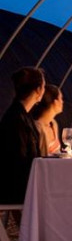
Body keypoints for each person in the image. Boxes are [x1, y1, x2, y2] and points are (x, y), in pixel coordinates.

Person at [0, 67, 45, 204]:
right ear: (38, 90)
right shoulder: (16, 118)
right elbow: (19, 161)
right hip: (16, 188)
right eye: (44, 86)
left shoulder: (22, 114)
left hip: (23, 182)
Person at [31, 84, 64, 155]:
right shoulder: (38, 127)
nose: (62, 102)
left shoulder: (53, 124)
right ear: (55, 102)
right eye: (61, 98)